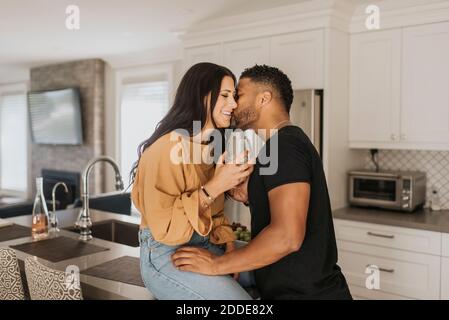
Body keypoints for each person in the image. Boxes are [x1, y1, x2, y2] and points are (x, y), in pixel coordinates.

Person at [172, 65, 352, 300]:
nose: (233, 104)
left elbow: (287, 237)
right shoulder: (280, 146)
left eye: (239, 95)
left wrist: (216, 264)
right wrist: (251, 194)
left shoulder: (284, 146)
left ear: (264, 99)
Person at [131, 62, 254, 300]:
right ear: (203, 97)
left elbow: (215, 213)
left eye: (235, 96)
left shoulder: (210, 148)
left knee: (280, 271)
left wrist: (228, 244)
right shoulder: (164, 151)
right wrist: (217, 185)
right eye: (226, 96)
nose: (234, 104)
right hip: (167, 254)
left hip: (207, 244)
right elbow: (166, 230)